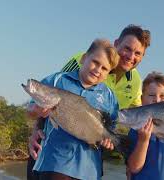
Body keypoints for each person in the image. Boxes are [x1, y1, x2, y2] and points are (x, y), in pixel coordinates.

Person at [27, 24, 151, 180]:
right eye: (127, 48)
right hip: (54, 156)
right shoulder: (81, 59)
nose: (131, 56)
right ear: (116, 43)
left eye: (138, 53)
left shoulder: (135, 83)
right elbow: (53, 92)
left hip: (89, 162)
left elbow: (137, 113)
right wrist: (35, 131)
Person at [27, 39, 120, 180]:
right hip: (55, 164)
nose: (97, 70)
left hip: (90, 171)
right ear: (84, 58)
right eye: (95, 62)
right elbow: (30, 111)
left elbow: (111, 127)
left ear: (108, 73)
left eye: (104, 68)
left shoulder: (109, 97)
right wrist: (36, 111)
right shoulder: (57, 80)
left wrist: (109, 140)